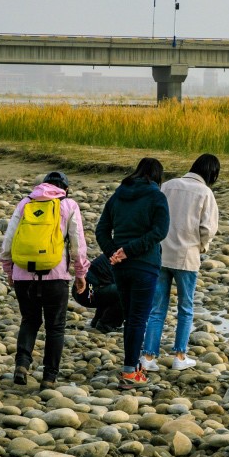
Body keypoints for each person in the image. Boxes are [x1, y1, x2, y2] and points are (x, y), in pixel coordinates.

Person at [0, 171, 88, 388]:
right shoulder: (68, 205)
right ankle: (49, 377)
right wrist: (80, 274)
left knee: (29, 320)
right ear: (65, 189)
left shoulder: (25, 203)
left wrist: (9, 270)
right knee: (55, 326)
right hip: (55, 276)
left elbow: (9, 239)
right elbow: (78, 244)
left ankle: (22, 364)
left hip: (23, 274)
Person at [142, 154, 220, 373]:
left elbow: (153, 216)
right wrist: (203, 246)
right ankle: (180, 356)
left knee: (157, 308)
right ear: (212, 173)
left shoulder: (168, 185)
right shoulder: (205, 192)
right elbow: (208, 229)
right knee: (185, 308)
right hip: (187, 257)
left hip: (161, 254)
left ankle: (148, 357)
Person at [96, 158, 170, 389]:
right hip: (144, 265)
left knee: (130, 317)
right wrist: (127, 251)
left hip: (120, 268)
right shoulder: (157, 196)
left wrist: (113, 252)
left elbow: (101, 230)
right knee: (138, 319)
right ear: (157, 176)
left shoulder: (119, 194)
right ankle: (130, 371)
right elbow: (160, 231)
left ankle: (132, 366)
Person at [76, 253, 124, 333]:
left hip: (83, 292)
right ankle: (107, 324)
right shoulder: (125, 256)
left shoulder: (116, 251)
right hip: (88, 294)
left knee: (111, 290)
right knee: (127, 292)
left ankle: (97, 320)